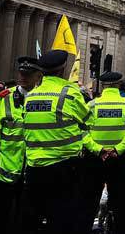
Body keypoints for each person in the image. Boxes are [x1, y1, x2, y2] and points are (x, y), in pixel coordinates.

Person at [22, 50, 90, 234]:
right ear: (62, 69)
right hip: (63, 168)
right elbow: (88, 121)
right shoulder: (70, 93)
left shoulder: (32, 96)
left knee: (33, 217)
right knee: (62, 219)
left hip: (34, 166)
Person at [0, 56, 42, 234]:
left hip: (33, 172)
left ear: (38, 76)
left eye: (28, 74)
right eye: (21, 73)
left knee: (27, 221)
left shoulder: (43, 98)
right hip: (6, 173)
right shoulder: (3, 98)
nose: (23, 77)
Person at [82, 71, 125, 234]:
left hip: (95, 160)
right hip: (120, 160)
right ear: (118, 85)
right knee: (120, 204)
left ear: (103, 86)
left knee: (89, 202)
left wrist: (98, 149)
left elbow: (81, 131)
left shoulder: (91, 105)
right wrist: (119, 149)